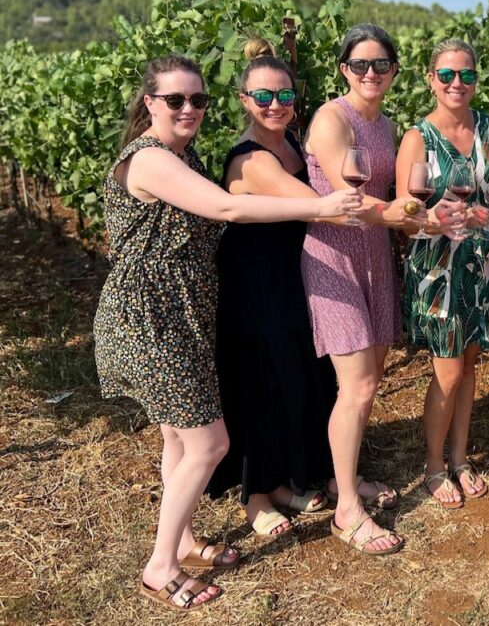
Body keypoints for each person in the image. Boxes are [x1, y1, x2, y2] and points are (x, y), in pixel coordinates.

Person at [93, 55, 362, 611]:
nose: (189, 108)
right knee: (210, 442)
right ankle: (160, 565)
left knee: (177, 437)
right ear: (149, 103)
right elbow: (224, 207)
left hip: (175, 312)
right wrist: (322, 206)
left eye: (197, 100)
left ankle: (184, 538)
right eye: (175, 100)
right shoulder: (149, 159)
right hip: (154, 318)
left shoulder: (175, 154)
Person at [302, 23, 432, 554]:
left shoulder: (389, 124)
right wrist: (413, 215)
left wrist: (421, 214)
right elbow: (351, 198)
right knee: (355, 386)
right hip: (333, 257)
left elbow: (399, 199)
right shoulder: (332, 119)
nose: (371, 73)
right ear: (343, 70)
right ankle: (347, 513)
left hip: (376, 254)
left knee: (368, 381)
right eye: (360, 65)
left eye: (381, 65)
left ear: (395, 71)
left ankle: (343, 478)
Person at [205, 39, 338, 537]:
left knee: (295, 373)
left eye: (283, 95)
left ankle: (283, 479)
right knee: (261, 380)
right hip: (254, 282)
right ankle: (256, 496)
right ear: (244, 100)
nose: (275, 105)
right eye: (263, 97)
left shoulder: (291, 145)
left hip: (288, 273)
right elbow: (314, 203)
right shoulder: (250, 159)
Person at [395, 39, 489, 508]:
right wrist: (435, 217)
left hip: (481, 262)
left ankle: (459, 458)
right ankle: (434, 466)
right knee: (449, 371)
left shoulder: (487, 127)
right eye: (447, 75)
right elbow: (405, 215)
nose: (458, 83)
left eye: (467, 75)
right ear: (431, 80)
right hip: (437, 268)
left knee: (470, 362)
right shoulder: (417, 137)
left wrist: (486, 215)